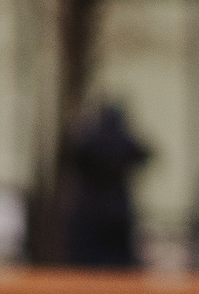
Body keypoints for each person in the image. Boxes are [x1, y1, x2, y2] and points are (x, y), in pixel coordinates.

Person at [63, 101, 153, 270]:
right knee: (116, 263)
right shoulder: (123, 138)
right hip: (115, 206)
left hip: (92, 208)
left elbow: (76, 156)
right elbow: (144, 155)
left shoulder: (92, 137)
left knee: (88, 261)